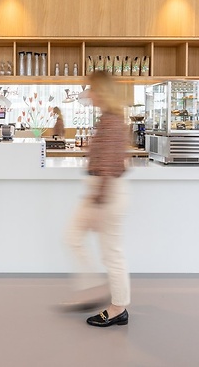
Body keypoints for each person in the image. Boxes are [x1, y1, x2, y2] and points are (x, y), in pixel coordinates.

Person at [65, 71, 131, 327]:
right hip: (99, 191)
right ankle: (94, 289)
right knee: (72, 238)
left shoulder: (112, 121)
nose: (88, 94)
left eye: (91, 89)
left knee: (112, 254)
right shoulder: (107, 118)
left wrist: (97, 202)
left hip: (106, 193)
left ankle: (118, 308)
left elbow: (109, 166)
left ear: (101, 91)